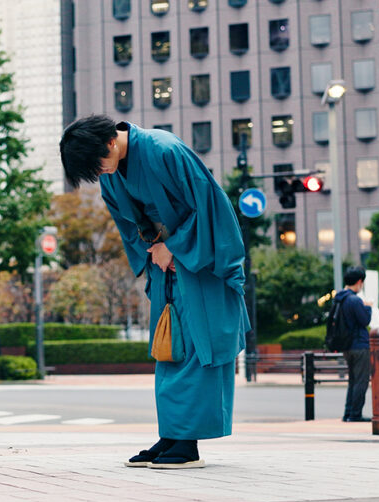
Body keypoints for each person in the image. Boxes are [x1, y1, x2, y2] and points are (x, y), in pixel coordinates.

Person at [59, 115, 248, 469]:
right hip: (166, 264)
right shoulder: (112, 174)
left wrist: (175, 249)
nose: (100, 174)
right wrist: (156, 252)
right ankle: (172, 434)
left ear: (110, 143)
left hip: (199, 262)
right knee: (169, 346)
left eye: (97, 165)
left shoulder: (165, 149)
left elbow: (209, 206)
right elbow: (130, 225)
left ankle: (187, 444)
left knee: (196, 346)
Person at [336, 267, 373, 422]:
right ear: (359, 282)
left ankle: (348, 413)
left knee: (353, 380)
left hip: (346, 345)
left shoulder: (340, 298)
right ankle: (355, 414)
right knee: (361, 380)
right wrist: (368, 307)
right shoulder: (355, 300)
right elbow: (365, 320)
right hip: (359, 345)